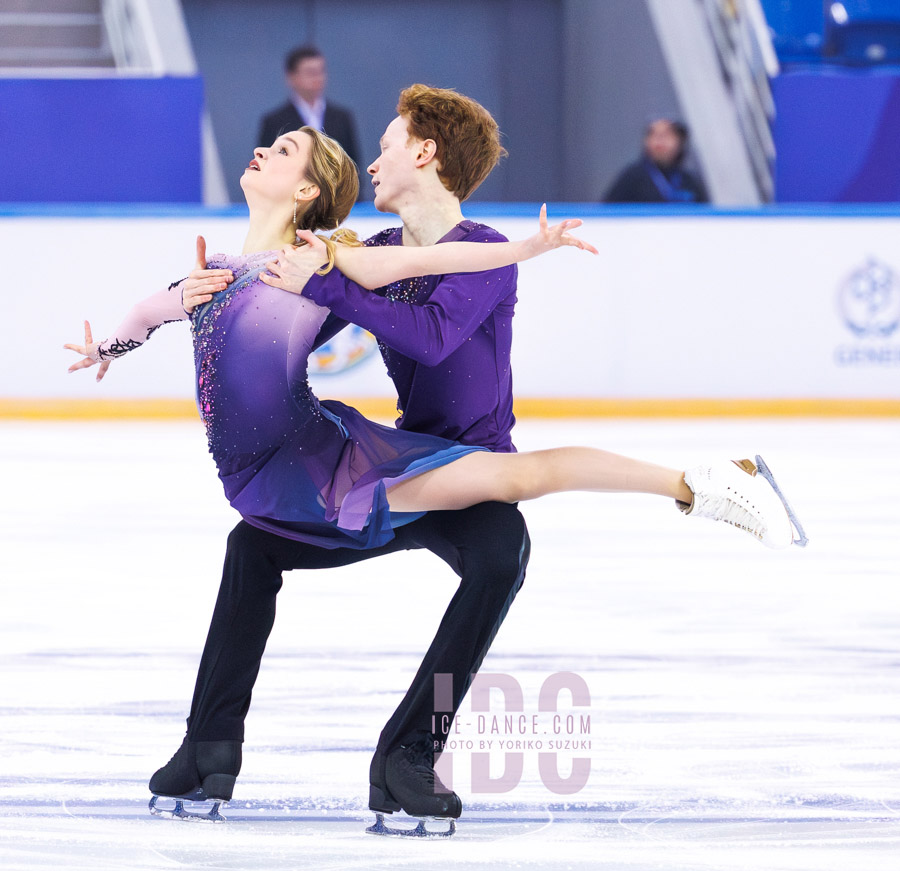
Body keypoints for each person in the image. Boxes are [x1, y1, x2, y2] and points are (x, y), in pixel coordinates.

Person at [67, 103, 801, 832]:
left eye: (386, 148)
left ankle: (410, 754)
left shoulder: (459, 250)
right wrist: (133, 336)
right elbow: (212, 315)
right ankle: (207, 750)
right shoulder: (351, 250)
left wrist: (515, 250)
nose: (374, 162)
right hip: (379, 464)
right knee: (250, 548)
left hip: (456, 470)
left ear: (424, 155)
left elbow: (431, 333)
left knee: (502, 548)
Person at [258, 45, 360, 168]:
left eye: (321, 71)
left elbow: (353, 165)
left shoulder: (341, 117)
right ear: (291, 77)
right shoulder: (274, 121)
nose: (318, 78)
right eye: (310, 72)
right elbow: (266, 166)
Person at [603, 117, 709, 204]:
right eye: (654, 134)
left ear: (680, 142)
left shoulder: (689, 181)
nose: (660, 141)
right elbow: (607, 215)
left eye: (667, 134)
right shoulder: (632, 177)